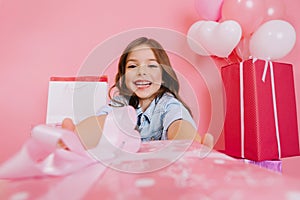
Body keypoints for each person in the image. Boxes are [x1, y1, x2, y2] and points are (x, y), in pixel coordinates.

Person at [62, 37, 213, 149]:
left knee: (180, 126)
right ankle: (73, 138)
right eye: (133, 66)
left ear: (163, 74)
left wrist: (188, 142)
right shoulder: (121, 102)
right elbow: (102, 121)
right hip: (126, 167)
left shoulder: (167, 103)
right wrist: (86, 131)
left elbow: (178, 123)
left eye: (152, 66)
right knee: (104, 121)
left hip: (160, 166)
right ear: (123, 74)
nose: (141, 72)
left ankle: (193, 148)